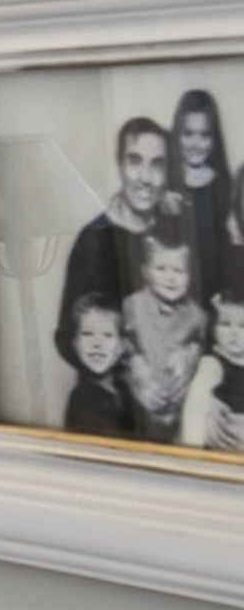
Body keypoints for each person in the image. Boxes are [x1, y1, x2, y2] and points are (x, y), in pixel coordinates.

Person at [58, 116, 181, 360]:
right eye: (135, 161)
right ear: (120, 165)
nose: (145, 178)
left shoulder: (173, 232)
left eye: (157, 165)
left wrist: (190, 351)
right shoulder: (94, 239)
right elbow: (67, 337)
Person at [123, 228, 209, 442]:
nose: (171, 278)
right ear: (145, 272)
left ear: (190, 275)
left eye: (179, 271)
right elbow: (122, 344)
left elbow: (205, 350)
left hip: (181, 407)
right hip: (141, 402)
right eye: (161, 269)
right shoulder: (133, 306)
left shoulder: (197, 315)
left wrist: (192, 352)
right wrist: (136, 365)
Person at [60, 296, 146, 441]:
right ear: (75, 342)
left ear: (122, 345)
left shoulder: (124, 389)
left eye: (108, 335)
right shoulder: (83, 399)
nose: (97, 343)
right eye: (87, 334)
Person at [177, 88, 234, 298]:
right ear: (177, 134)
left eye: (204, 135)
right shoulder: (167, 183)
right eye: (188, 134)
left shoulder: (226, 187)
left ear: (214, 138)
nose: (195, 144)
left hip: (216, 295)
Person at [182, 291, 244, 455]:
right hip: (223, 448)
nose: (234, 333)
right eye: (225, 324)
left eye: (242, 326)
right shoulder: (213, 364)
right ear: (213, 328)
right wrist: (193, 451)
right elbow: (195, 409)